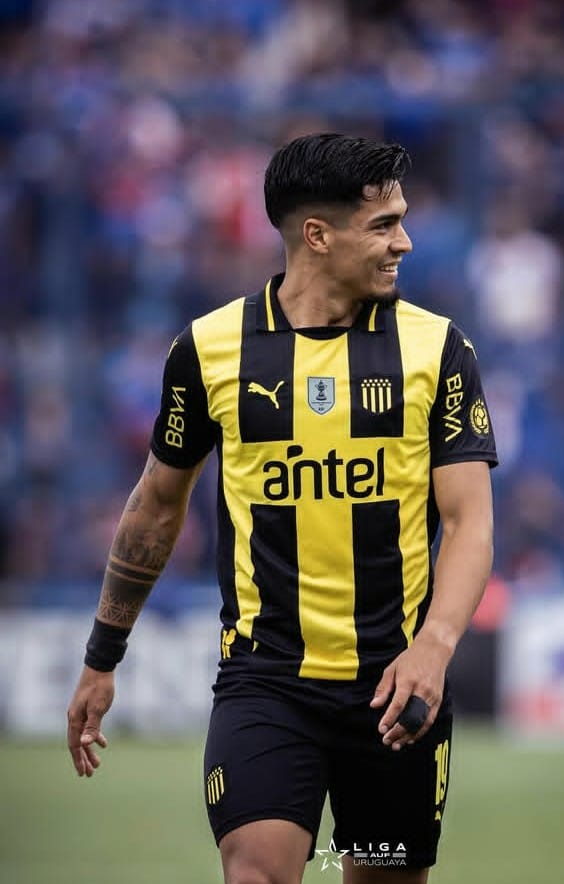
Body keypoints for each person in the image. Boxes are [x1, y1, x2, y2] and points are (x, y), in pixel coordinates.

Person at [67, 133, 497, 884]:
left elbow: (469, 521)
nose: (404, 242)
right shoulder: (208, 350)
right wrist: (103, 658)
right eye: (384, 225)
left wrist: (435, 645)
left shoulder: (438, 350)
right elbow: (156, 508)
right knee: (257, 873)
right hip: (264, 683)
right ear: (317, 235)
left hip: (398, 688)